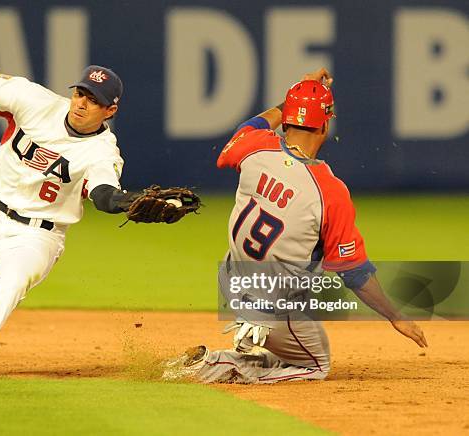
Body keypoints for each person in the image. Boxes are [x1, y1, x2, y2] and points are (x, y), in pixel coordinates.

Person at [0, 65, 192, 381]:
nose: (81, 103)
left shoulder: (102, 151)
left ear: (110, 110)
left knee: (11, 284)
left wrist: (130, 201)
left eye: (93, 100)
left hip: (37, 235)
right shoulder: (35, 101)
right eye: (80, 93)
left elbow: (103, 195)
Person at [163, 68, 428, 383]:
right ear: (325, 125)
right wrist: (396, 317)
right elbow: (354, 272)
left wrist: (292, 102)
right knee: (316, 366)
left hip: (230, 281)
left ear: (286, 117)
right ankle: (216, 365)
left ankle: (252, 344)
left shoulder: (254, 146)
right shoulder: (329, 191)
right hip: (272, 307)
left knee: (290, 281)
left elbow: (249, 127)